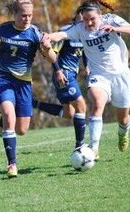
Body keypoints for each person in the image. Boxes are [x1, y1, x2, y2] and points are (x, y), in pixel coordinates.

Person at [43, 0, 130, 160]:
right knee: (97, 103)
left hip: (120, 74)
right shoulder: (80, 29)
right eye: (86, 19)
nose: (89, 23)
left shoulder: (111, 19)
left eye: (92, 19)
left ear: (100, 15)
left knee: (123, 117)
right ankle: (94, 148)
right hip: (99, 75)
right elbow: (62, 34)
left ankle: (123, 132)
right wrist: (48, 37)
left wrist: (115, 29)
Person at [0, 0, 56, 178]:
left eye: (30, 15)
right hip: (3, 79)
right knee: (9, 116)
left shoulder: (35, 33)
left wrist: (48, 48)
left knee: (22, 130)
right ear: (15, 14)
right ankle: (12, 164)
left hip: (24, 84)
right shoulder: (4, 28)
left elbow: (52, 59)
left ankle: (3, 123)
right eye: (23, 15)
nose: (27, 19)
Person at [33, 9, 89, 153]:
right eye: (81, 15)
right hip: (64, 74)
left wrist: (87, 66)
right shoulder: (65, 31)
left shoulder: (85, 31)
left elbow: (85, 52)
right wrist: (58, 71)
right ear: (75, 16)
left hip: (71, 75)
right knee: (81, 106)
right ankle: (79, 145)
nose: (84, 18)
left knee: (68, 114)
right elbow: (53, 54)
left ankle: (35, 103)